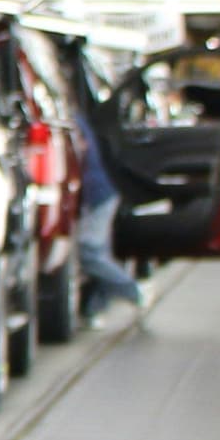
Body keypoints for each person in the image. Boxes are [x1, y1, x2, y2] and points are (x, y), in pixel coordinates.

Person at [74, 98, 146, 320]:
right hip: (105, 190)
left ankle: (132, 291)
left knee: (89, 251)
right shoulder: (77, 119)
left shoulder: (72, 123)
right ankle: (96, 307)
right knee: (99, 251)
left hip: (98, 194)